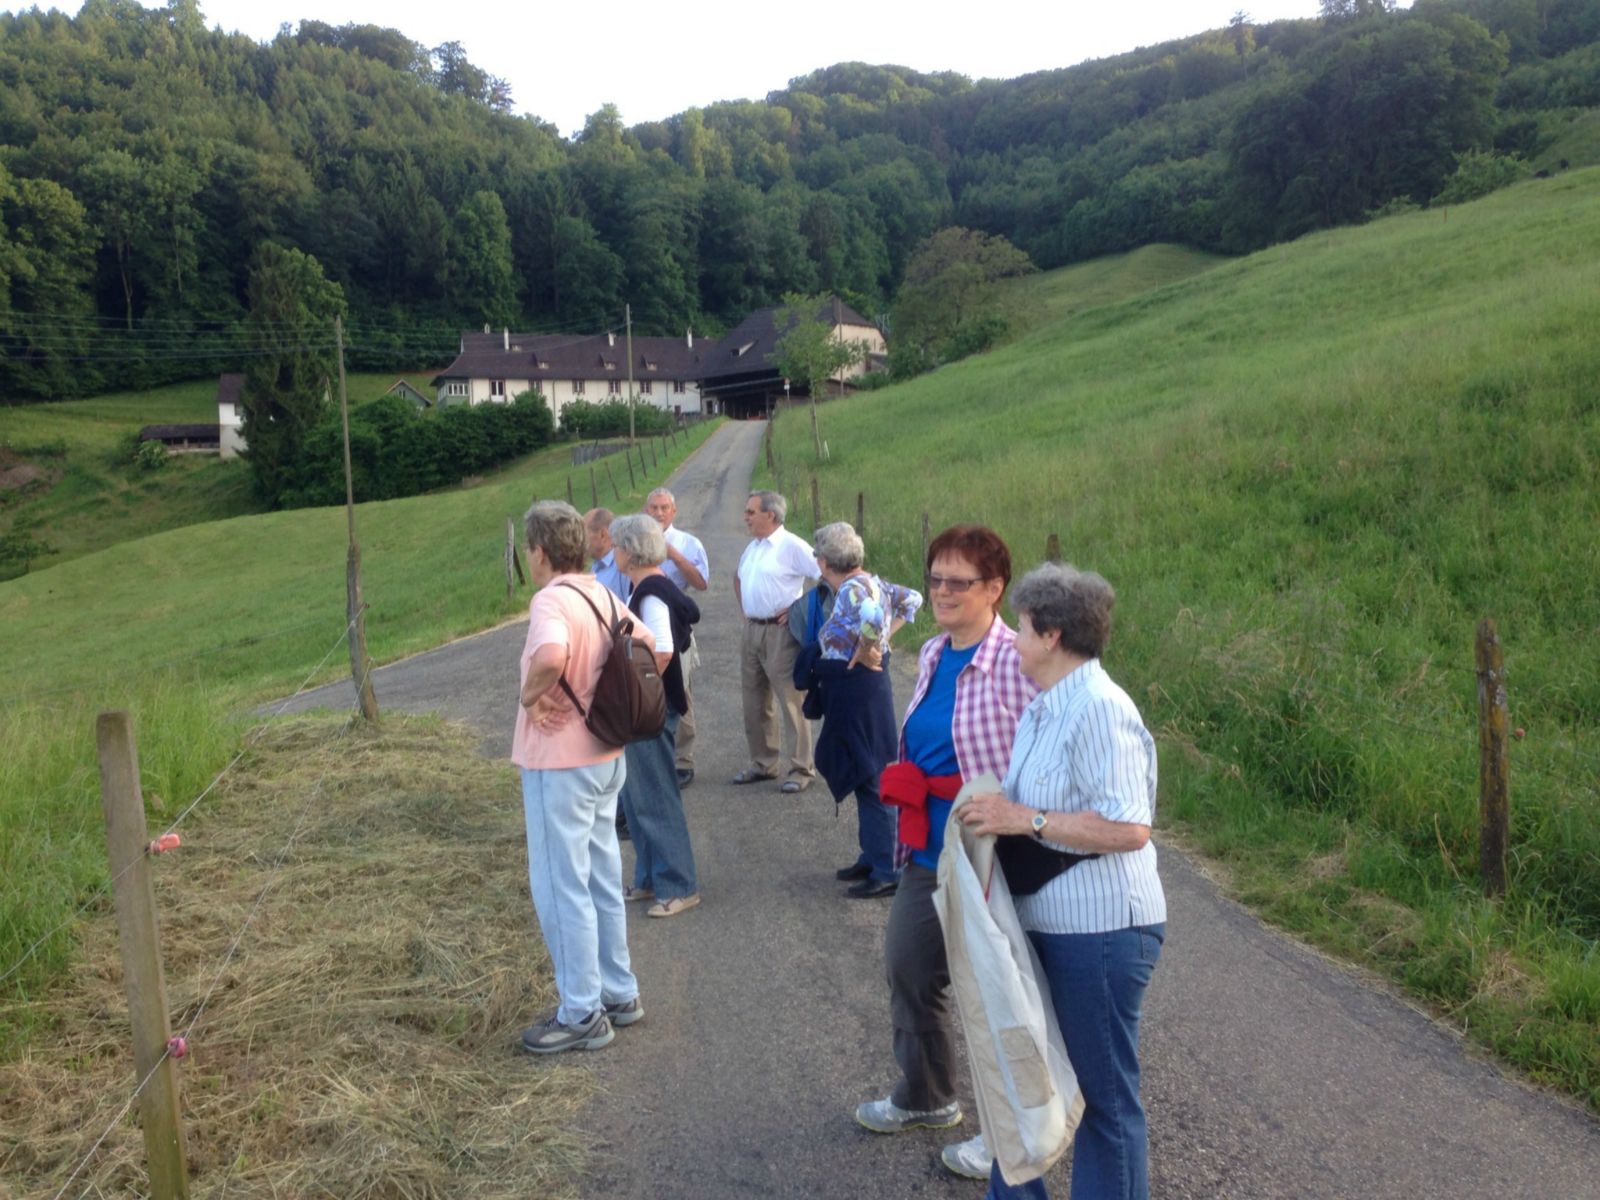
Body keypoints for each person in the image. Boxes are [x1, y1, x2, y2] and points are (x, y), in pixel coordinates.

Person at [959, 564, 1167, 1200]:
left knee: (1104, 1101)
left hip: (1100, 930)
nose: (1014, 639)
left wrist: (1023, 819)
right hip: (1046, 922)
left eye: (1022, 627)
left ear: (1051, 636)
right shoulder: (1044, 707)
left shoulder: (1101, 709)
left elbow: (1130, 828)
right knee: (1028, 1079)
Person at [855, 525, 1035, 1183]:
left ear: (995, 588)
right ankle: (927, 1096)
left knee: (996, 997)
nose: (942, 591)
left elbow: (1049, 748)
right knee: (909, 968)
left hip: (990, 856)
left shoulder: (1018, 660)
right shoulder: (933, 651)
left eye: (959, 582)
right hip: (928, 849)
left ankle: (1011, 1137)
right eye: (935, 579)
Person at [512, 500, 642, 1054]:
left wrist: (531, 696)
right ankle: (619, 991)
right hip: (605, 753)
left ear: (540, 552)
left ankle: (581, 1012)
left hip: (560, 762)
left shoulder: (550, 600)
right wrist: (600, 692)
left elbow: (550, 654)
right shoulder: (601, 592)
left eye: (529, 549)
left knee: (560, 885)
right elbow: (651, 648)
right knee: (601, 878)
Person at [800, 522, 922, 899]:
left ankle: (887, 869)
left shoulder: (853, 589)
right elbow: (914, 599)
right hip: (860, 689)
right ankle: (873, 857)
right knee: (865, 773)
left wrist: (869, 646)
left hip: (857, 691)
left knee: (870, 777)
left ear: (824, 562)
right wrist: (883, 640)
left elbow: (871, 615)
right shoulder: (872, 582)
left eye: (818, 556)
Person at [610, 513, 702, 919]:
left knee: (656, 798)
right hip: (650, 710)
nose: (613, 552)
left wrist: (634, 696)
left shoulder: (650, 592)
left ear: (630, 552)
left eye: (616, 545)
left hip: (650, 712)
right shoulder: (650, 587)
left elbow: (661, 651)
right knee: (636, 798)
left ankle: (679, 885)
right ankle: (649, 877)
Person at [732, 489, 819, 793]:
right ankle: (763, 763)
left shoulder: (792, 546)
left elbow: (827, 575)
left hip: (781, 633)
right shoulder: (753, 547)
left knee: (791, 701)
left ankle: (801, 768)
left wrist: (799, 608)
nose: (745, 517)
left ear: (770, 515)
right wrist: (746, 612)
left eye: (751, 512)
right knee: (754, 700)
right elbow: (738, 577)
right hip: (753, 630)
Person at [644, 488, 708, 788]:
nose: (659, 513)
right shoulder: (637, 540)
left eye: (664, 508)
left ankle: (683, 759)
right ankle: (656, 757)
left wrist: (675, 556)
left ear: (674, 511)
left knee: (680, 692)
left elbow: (701, 583)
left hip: (675, 625)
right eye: (654, 508)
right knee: (647, 690)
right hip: (643, 624)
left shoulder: (688, 543)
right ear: (646, 510)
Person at [585, 507, 630, 602]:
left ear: (603, 535)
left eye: (584, 534)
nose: (581, 540)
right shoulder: (596, 565)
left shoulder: (622, 568)